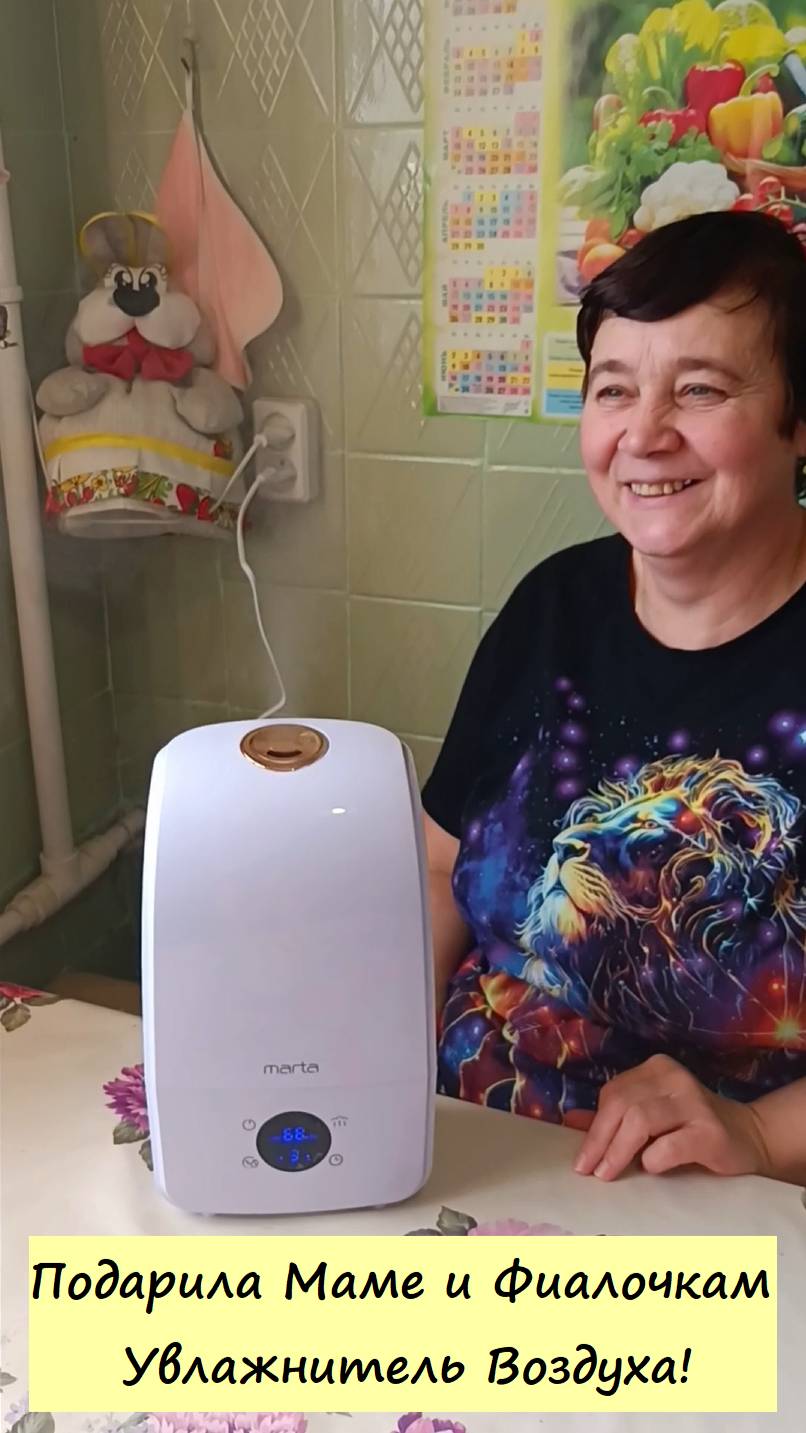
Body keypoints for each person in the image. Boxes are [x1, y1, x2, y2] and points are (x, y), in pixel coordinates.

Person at [421, 210, 806, 1187]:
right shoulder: (554, 603)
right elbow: (437, 867)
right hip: (467, 1145)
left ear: (797, 420)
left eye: (700, 388)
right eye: (613, 389)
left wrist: (759, 1135)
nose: (643, 433)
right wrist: (376, 1030)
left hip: (713, 1190)